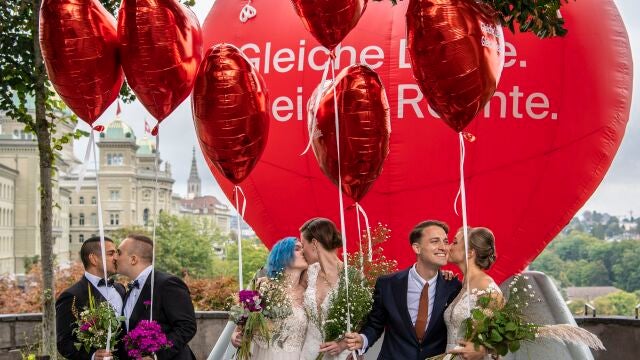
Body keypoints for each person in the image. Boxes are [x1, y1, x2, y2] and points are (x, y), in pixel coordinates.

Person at [345, 220, 486, 359]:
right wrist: (363, 339)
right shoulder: (387, 284)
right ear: (417, 248)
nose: (444, 247)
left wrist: (482, 348)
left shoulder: (454, 287)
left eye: (446, 241)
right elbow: (374, 325)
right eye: (435, 241)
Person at [117, 234, 197, 360]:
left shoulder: (168, 284)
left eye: (119, 253)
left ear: (133, 259)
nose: (115, 257)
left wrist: (155, 356)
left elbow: (187, 326)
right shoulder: (129, 288)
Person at [230, 236, 309, 359]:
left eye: (303, 248)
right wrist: (235, 336)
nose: (303, 251)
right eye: (297, 248)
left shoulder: (309, 294)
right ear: (283, 255)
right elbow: (240, 325)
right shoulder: (260, 285)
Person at [56, 236, 126, 360]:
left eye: (116, 253)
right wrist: (92, 356)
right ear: (93, 258)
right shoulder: (71, 296)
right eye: (111, 253)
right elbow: (63, 343)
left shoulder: (121, 289)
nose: (116, 257)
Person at [444, 227, 502, 359]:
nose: (449, 247)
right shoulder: (461, 283)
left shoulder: (487, 287)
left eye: (454, 242)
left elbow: (499, 336)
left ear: (470, 253)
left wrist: (483, 349)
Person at [299, 217, 350, 360]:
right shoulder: (308, 274)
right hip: (309, 353)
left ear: (314, 243)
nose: (302, 251)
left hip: (339, 355)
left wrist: (343, 344)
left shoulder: (353, 277)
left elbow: (364, 324)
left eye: (303, 245)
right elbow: (289, 295)